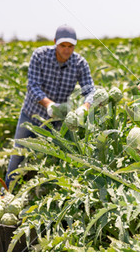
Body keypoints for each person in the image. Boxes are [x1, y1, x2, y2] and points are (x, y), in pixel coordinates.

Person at [5, 24, 95, 188]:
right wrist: (49, 105)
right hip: (31, 115)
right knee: (18, 154)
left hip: (56, 123)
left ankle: (35, 196)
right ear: (55, 42)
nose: (67, 50)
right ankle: (6, 191)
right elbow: (32, 86)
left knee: (49, 162)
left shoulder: (80, 63)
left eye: (70, 46)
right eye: (63, 45)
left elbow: (90, 90)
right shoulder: (40, 56)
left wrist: (85, 107)